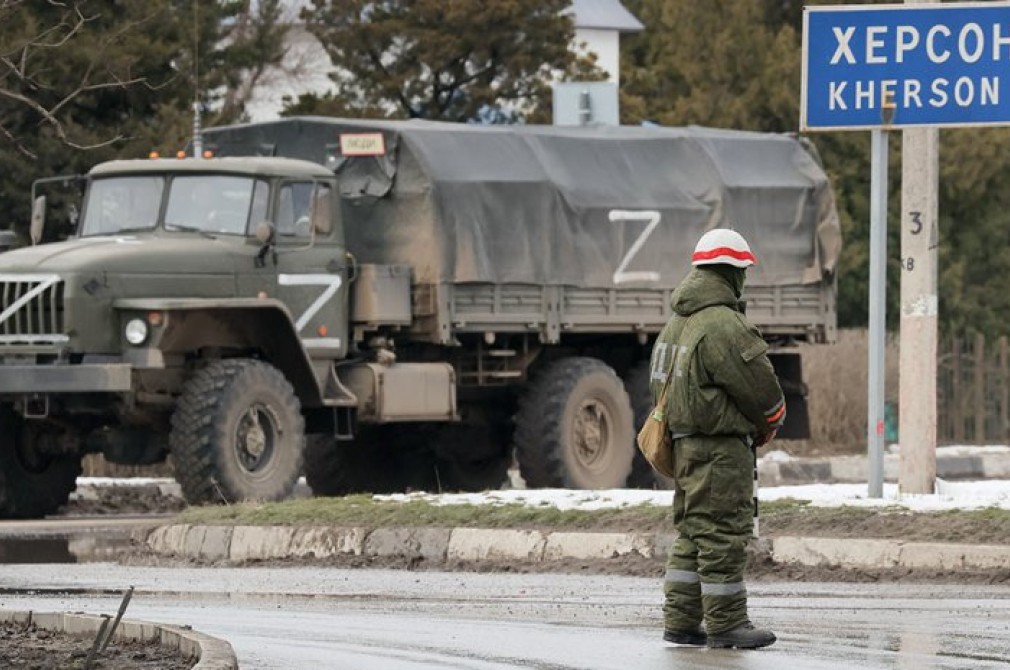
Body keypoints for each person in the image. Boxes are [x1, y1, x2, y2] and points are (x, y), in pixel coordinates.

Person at [648, 227, 785, 650]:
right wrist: (769, 422)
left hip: (684, 445)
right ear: (732, 273)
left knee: (693, 531)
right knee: (723, 532)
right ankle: (727, 624)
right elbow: (763, 392)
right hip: (720, 450)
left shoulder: (674, 325)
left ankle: (681, 621)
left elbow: (657, 387)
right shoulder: (724, 324)